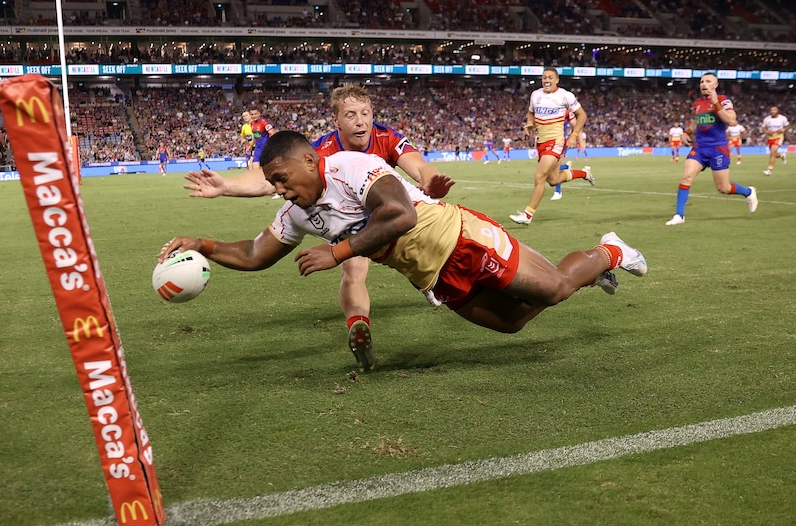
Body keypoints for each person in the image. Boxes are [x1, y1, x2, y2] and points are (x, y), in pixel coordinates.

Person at [159, 131, 645, 371]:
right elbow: (255, 253)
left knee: (556, 288)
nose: (281, 191)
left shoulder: (352, 166)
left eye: (282, 179)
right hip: (432, 277)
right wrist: (201, 243)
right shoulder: (299, 213)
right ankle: (590, 269)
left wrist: (339, 252)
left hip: (461, 240)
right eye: (273, 185)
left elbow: (401, 215)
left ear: (311, 160)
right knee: (513, 322)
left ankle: (609, 252)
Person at [176, 85, 454, 371]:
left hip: (389, 212)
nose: (360, 121)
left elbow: (420, 167)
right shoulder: (319, 153)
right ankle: (358, 324)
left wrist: (432, 180)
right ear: (336, 121)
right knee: (353, 267)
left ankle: (426, 280)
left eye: (365, 113)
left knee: (413, 245)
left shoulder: (386, 137)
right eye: (350, 115)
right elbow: (272, 178)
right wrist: (227, 187)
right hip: (352, 223)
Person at [665, 72, 758, 226]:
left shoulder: (723, 100)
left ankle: (748, 192)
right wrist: (686, 132)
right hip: (700, 148)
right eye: (702, 81)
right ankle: (679, 215)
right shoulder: (697, 104)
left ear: (715, 85)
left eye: (708, 81)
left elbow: (732, 121)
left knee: (724, 188)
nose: (704, 84)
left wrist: (716, 104)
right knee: (686, 177)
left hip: (718, 149)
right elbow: (696, 123)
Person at [510, 67, 594, 225]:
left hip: (556, 142)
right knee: (554, 180)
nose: (546, 80)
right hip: (540, 142)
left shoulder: (565, 96)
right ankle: (583, 173)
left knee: (539, 176)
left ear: (557, 80)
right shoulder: (536, 95)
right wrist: (529, 123)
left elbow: (582, 115)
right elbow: (531, 112)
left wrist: (575, 135)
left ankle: (527, 215)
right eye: (544, 78)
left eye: (550, 77)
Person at [248, 104, 277, 171]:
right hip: (258, 148)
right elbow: (255, 136)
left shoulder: (263, 122)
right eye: (252, 114)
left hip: (265, 147)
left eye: (255, 114)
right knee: (255, 167)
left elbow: (272, 132)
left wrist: (270, 144)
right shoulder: (252, 123)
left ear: (259, 114)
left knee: (267, 168)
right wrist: (251, 145)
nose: (253, 116)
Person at [761, 106, 788, 176]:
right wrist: (767, 132)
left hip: (779, 137)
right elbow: (763, 128)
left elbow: (787, 126)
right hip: (770, 138)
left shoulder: (782, 118)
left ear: (777, 111)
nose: (772, 111)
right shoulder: (767, 119)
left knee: (772, 152)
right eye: (771, 110)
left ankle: (769, 170)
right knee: (773, 154)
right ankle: (782, 155)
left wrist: (783, 129)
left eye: (774, 110)